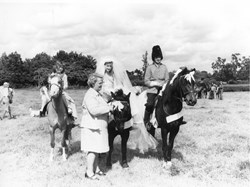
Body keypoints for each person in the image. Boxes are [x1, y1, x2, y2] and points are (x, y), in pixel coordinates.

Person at [95, 56, 158, 153]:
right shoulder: (102, 76)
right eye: (107, 66)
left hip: (114, 94)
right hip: (105, 94)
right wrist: (108, 91)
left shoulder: (114, 75)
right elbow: (101, 87)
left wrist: (117, 90)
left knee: (128, 99)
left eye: (110, 66)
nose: (109, 68)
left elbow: (118, 84)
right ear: (104, 66)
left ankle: (131, 119)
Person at [81, 73, 113, 180]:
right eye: (100, 83)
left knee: (98, 150)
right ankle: (89, 173)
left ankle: (97, 169)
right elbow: (94, 110)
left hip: (98, 127)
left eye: (102, 82)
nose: (101, 85)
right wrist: (109, 108)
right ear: (93, 83)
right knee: (92, 150)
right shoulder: (90, 95)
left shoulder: (97, 94)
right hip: (92, 127)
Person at [143, 45, 170, 136]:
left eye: (159, 57)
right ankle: (146, 121)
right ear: (153, 58)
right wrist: (155, 83)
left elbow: (167, 79)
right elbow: (146, 81)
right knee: (150, 104)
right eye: (156, 57)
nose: (158, 59)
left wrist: (163, 85)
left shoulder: (164, 67)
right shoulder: (149, 67)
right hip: (153, 90)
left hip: (163, 90)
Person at [47, 62, 78, 126]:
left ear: (63, 68)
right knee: (46, 99)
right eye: (58, 67)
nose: (59, 69)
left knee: (70, 100)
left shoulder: (64, 75)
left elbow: (66, 85)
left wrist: (61, 88)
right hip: (53, 90)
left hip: (61, 91)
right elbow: (49, 81)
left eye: (61, 67)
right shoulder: (52, 74)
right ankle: (43, 110)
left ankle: (71, 115)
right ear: (55, 68)